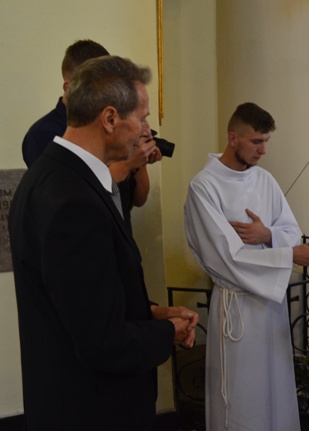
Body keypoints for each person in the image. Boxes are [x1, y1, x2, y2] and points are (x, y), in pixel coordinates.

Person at [9, 56, 199, 431]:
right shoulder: (74, 203)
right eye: (142, 118)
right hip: (93, 408)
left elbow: (80, 302)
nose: (146, 130)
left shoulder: (50, 175)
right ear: (110, 118)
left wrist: (148, 312)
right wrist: (168, 333)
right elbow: (102, 343)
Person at [184, 102, 309, 431]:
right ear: (233, 138)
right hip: (237, 312)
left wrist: (269, 235)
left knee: (274, 390)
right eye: (256, 142)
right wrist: (288, 255)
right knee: (240, 394)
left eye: (266, 141)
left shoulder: (265, 180)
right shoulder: (203, 187)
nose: (263, 150)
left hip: (270, 309)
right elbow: (225, 256)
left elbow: (291, 230)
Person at [21, 39, 162, 233]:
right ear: (70, 87)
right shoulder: (43, 134)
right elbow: (71, 201)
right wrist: (128, 164)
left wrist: (139, 160)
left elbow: (138, 199)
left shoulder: (118, 133)